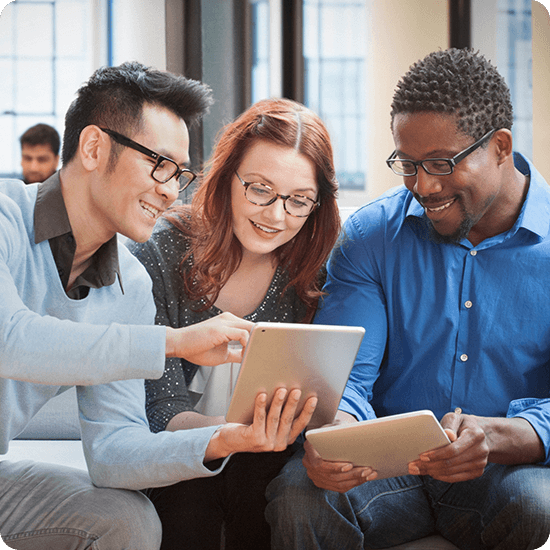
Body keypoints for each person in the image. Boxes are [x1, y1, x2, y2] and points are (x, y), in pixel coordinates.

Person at [0, 62, 307, 550]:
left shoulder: (129, 286)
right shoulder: (4, 218)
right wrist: (174, 343)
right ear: (95, 148)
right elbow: (10, 341)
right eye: (158, 164)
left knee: (128, 518)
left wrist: (229, 437)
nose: (170, 190)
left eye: (180, 173)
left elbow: (114, 452)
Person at [265, 48, 550, 550]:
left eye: (442, 163)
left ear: (500, 147)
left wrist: (510, 435)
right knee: (298, 493)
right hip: (391, 474)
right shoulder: (370, 237)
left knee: (540, 506)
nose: (423, 186)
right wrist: (335, 437)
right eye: (408, 164)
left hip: (508, 475)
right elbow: (347, 378)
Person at [129, 97, 341, 550]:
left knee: (271, 491)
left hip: (271, 459)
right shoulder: (163, 253)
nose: (276, 215)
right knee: (191, 498)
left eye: (299, 200)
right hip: (182, 453)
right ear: (227, 177)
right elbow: (160, 412)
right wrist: (235, 435)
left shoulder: (316, 267)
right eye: (259, 189)